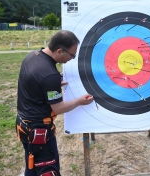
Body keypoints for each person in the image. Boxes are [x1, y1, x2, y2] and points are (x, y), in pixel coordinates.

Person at [16, 30, 93, 176]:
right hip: (38, 131)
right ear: (59, 51)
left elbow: (36, 83)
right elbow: (58, 108)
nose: (72, 58)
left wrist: (52, 84)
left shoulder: (32, 56)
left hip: (23, 125)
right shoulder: (50, 76)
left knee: (32, 166)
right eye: (72, 55)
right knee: (47, 169)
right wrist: (80, 101)